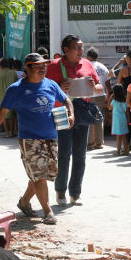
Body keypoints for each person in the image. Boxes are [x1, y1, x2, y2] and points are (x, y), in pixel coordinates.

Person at [0, 53, 73, 225]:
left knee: (41, 175)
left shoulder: (51, 84)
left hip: (51, 137)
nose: (43, 69)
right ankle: (48, 212)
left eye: (44, 66)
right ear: (28, 68)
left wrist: (72, 115)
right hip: (29, 139)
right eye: (38, 66)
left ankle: (24, 202)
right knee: (39, 176)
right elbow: (2, 112)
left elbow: (66, 99)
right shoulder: (16, 89)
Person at [45, 34, 103, 206]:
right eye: (76, 47)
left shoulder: (87, 64)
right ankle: (60, 191)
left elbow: (100, 88)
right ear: (66, 50)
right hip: (63, 112)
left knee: (80, 155)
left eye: (81, 47)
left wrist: (94, 87)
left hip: (83, 111)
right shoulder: (54, 66)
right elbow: (44, 90)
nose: (80, 51)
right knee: (63, 154)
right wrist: (59, 88)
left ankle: (75, 193)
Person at [86, 48, 111, 151]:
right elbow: (108, 85)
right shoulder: (103, 67)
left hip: (90, 95)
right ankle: (99, 143)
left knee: (89, 119)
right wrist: (108, 97)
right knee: (99, 118)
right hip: (101, 95)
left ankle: (90, 143)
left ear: (88, 56)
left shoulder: (87, 66)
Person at [0, 58, 18, 138]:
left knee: (4, 116)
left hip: (2, 97)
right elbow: (17, 85)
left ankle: (7, 132)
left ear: (1, 65)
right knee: (11, 115)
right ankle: (12, 131)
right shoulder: (13, 73)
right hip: (13, 96)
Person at [109, 84, 130, 155]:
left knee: (118, 136)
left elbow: (109, 108)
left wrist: (110, 98)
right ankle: (126, 151)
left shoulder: (114, 101)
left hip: (116, 121)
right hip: (123, 119)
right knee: (124, 136)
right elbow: (127, 112)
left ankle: (118, 151)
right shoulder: (124, 101)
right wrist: (128, 120)